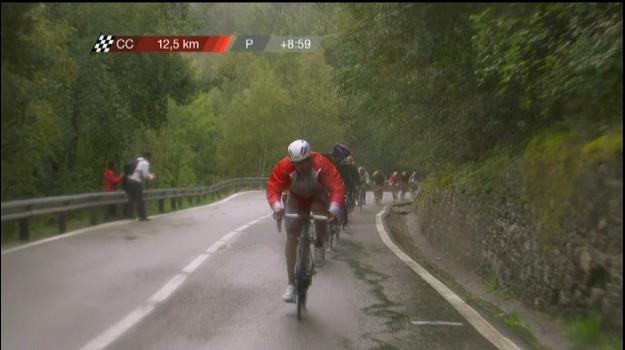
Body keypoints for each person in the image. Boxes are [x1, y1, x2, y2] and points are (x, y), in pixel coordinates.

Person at [267, 139, 345, 303]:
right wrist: (277, 207)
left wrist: (334, 209)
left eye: (304, 162)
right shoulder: (285, 166)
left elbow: (337, 186)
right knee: (291, 236)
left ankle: (319, 242)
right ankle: (290, 283)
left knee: (318, 213)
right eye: (297, 163)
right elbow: (274, 187)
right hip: (296, 198)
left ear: (310, 157)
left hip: (317, 196)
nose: (301, 166)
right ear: (291, 161)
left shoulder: (322, 163)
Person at [326, 144, 359, 228]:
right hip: (326, 183)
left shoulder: (346, 165)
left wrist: (355, 185)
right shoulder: (325, 158)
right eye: (338, 158)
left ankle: (344, 218)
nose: (340, 160)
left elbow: (352, 176)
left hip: (341, 184)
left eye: (342, 158)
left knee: (342, 200)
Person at [125, 152, 156, 221]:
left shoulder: (137, 161)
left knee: (131, 198)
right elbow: (145, 175)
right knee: (140, 199)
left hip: (129, 181)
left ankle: (130, 215)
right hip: (136, 181)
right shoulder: (145, 163)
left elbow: (140, 171)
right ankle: (142, 216)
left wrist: (150, 175)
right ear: (148, 157)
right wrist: (152, 177)